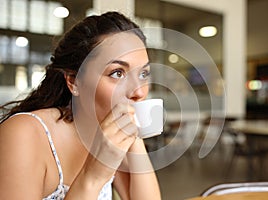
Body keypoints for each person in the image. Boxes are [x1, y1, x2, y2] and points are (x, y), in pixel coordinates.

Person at [0, 11, 161, 200]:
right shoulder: (23, 133)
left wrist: (135, 139)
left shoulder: (108, 133)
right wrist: (93, 176)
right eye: (117, 73)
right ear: (74, 81)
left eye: (143, 74)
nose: (139, 92)